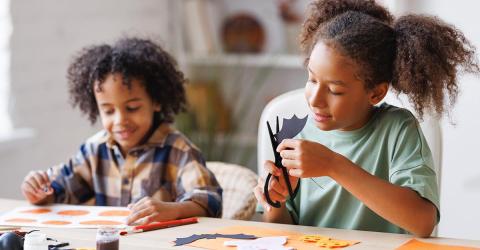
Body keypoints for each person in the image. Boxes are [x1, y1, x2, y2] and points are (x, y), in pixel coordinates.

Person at [254, 0, 479, 237]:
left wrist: (333, 165)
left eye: (335, 90)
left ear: (376, 93)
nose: (315, 99)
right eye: (311, 79)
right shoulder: (296, 132)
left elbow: (423, 222)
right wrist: (275, 202)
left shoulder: (398, 130)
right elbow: (281, 230)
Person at [21, 37, 223, 225]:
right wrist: (40, 191)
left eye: (132, 108)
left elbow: (210, 201)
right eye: (108, 110)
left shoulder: (178, 151)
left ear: (157, 101)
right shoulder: (94, 150)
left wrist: (174, 210)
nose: (120, 121)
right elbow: (61, 189)